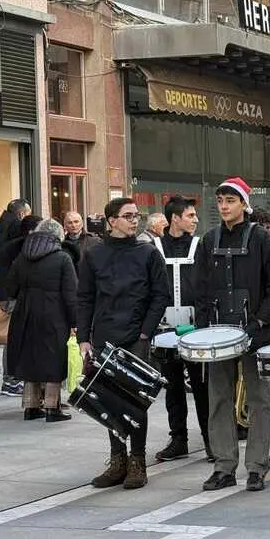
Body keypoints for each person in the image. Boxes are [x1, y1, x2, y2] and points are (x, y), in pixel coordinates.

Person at [195, 177, 270, 492]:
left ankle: (256, 467)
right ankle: (223, 466)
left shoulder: (262, 239)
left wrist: (260, 322)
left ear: (243, 204)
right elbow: (201, 287)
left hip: (255, 331)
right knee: (219, 398)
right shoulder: (208, 240)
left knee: (259, 399)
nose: (223, 206)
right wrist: (205, 327)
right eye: (220, 200)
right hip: (219, 333)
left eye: (230, 200)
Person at [77, 197, 171, 490]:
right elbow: (85, 298)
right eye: (128, 215)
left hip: (136, 338)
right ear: (111, 221)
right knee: (108, 400)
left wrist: (145, 333)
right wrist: (83, 338)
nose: (134, 220)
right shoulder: (94, 255)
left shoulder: (148, 253)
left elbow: (160, 295)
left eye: (137, 215)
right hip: (105, 336)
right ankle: (117, 460)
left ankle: (137, 462)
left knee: (135, 401)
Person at [152, 196, 212, 463]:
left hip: (195, 326)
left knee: (201, 386)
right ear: (174, 219)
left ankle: (212, 440)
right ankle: (179, 439)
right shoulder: (154, 247)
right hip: (165, 326)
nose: (195, 220)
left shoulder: (200, 246)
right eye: (190, 215)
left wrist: (203, 322)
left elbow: (207, 285)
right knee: (173, 386)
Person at [6, 218, 77, 422]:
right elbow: (70, 293)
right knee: (53, 359)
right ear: (58, 236)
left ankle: (30, 407)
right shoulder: (62, 258)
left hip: (24, 312)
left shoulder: (22, 258)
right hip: (53, 313)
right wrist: (75, 321)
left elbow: (10, 288)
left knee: (30, 357)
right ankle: (52, 408)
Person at [0, 198, 32, 397]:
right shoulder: (16, 228)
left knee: (12, 336)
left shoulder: (3, 227)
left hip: (4, 291)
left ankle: (12, 379)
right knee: (13, 337)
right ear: (22, 214)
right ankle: (11, 381)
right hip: (12, 292)